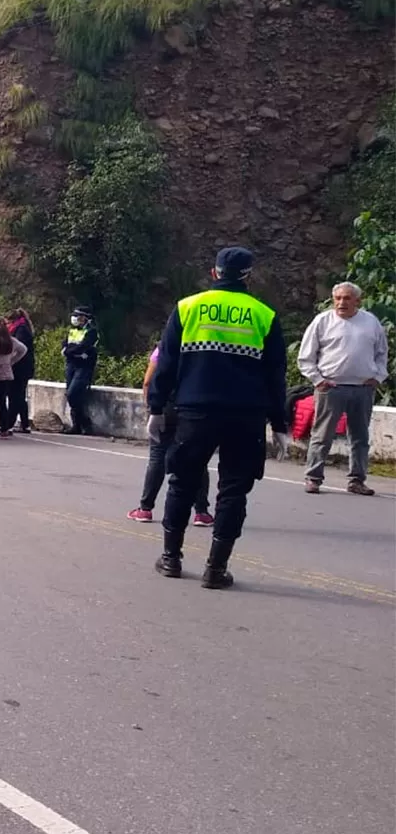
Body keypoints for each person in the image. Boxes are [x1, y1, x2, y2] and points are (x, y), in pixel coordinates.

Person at [148, 247, 289, 589]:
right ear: (248, 276)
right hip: (246, 416)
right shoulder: (263, 314)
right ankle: (215, 568)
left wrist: (155, 408)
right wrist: (280, 424)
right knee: (233, 490)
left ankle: (171, 559)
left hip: (196, 412)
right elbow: (275, 375)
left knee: (182, 482)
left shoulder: (188, 307)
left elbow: (165, 365)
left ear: (214, 272)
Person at [298, 281, 388, 496]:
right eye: (337, 298)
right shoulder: (322, 321)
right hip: (331, 387)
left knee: (359, 437)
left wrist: (378, 377)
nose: (341, 303)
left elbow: (382, 353)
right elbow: (306, 357)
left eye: (347, 298)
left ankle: (357, 480)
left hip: (362, 389)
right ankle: (313, 477)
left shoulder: (371, 322)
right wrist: (318, 380)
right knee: (322, 435)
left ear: (358, 301)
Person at [130, 344, 213, 526]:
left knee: (157, 457)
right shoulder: (202, 348)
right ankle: (201, 512)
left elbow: (147, 381)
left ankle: (145, 509)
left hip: (166, 409)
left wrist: (151, 408)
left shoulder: (163, 348)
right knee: (197, 460)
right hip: (193, 409)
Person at [61, 305, 99, 435]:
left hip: (84, 366)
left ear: (86, 318)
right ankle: (76, 425)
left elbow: (83, 347)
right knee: (71, 394)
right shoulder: (72, 330)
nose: (75, 318)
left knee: (73, 394)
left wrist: (70, 350)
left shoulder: (91, 332)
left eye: (79, 316)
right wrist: (71, 351)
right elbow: (65, 345)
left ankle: (85, 422)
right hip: (71, 364)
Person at [6, 309, 35, 434]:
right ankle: (25, 424)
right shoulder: (22, 328)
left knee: (14, 396)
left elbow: (18, 347)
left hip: (19, 368)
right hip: (24, 367)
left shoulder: (20, 330)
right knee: (20, 396)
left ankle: (8, 424)